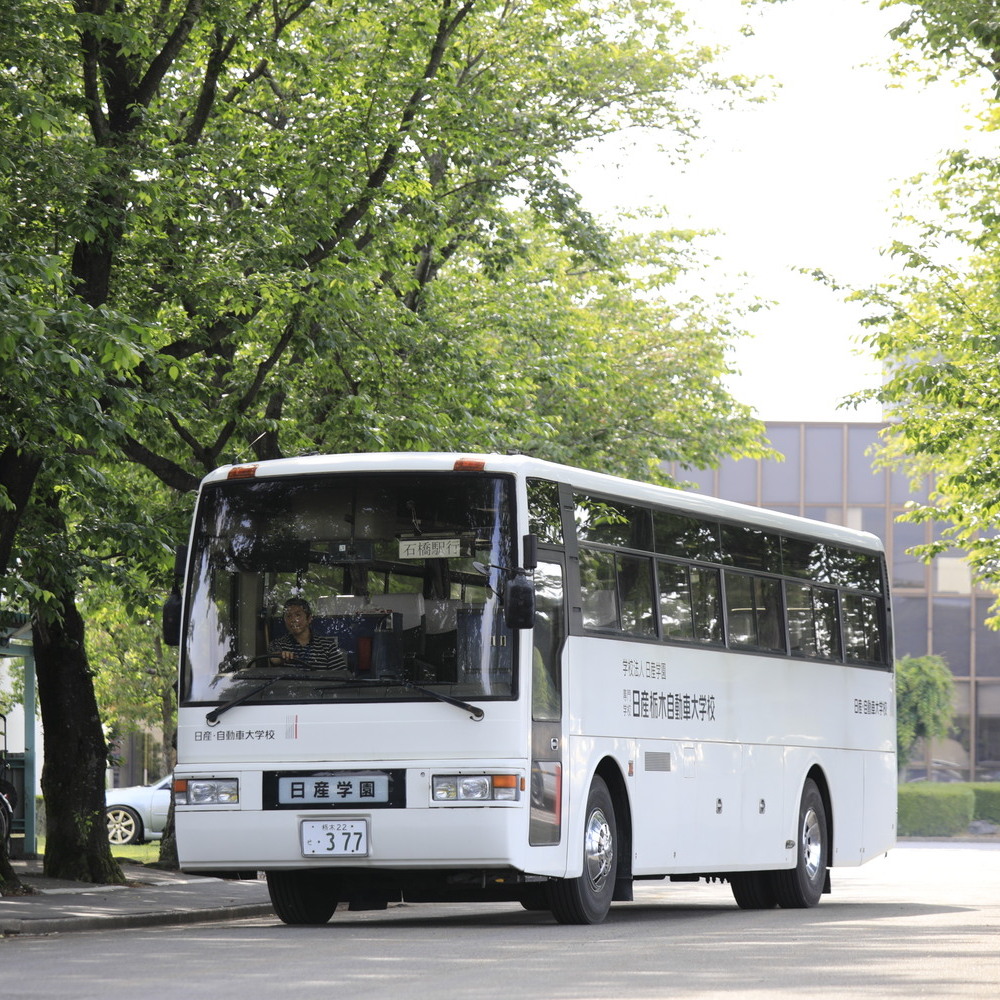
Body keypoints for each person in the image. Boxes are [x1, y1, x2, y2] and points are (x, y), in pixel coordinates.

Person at [269, 598, 349, 671]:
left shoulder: (327, 646)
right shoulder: (277, 644)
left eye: (298, 615)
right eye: (289, 616)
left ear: (309, 619)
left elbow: (341, 676)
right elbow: (274, 659)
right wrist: (281, 657)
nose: (293, 620)